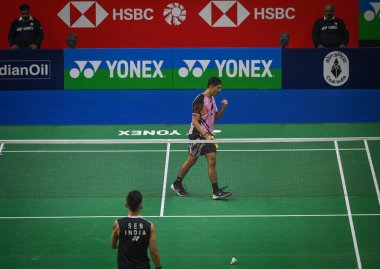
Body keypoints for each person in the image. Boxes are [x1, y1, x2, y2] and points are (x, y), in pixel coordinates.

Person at [171, 77, 232, 200]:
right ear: (211, 86)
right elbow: (195, 122)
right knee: (191, 160)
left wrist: (224, 107)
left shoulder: (212, 99)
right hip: (197, 135)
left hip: (208, 135)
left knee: (212, 160)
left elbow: (217, 117)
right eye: (218, 87)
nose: (220, 90)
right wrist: (206, 136)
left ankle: (216, 191)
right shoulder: (200, 100)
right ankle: (177, 183)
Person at [110, 190, 161, 269]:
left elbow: (113, 245)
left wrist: (124, 246)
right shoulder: (149, 226)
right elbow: (153, 251)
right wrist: (158, 267)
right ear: (141, 206)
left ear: (126, 205)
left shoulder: (118, 224)